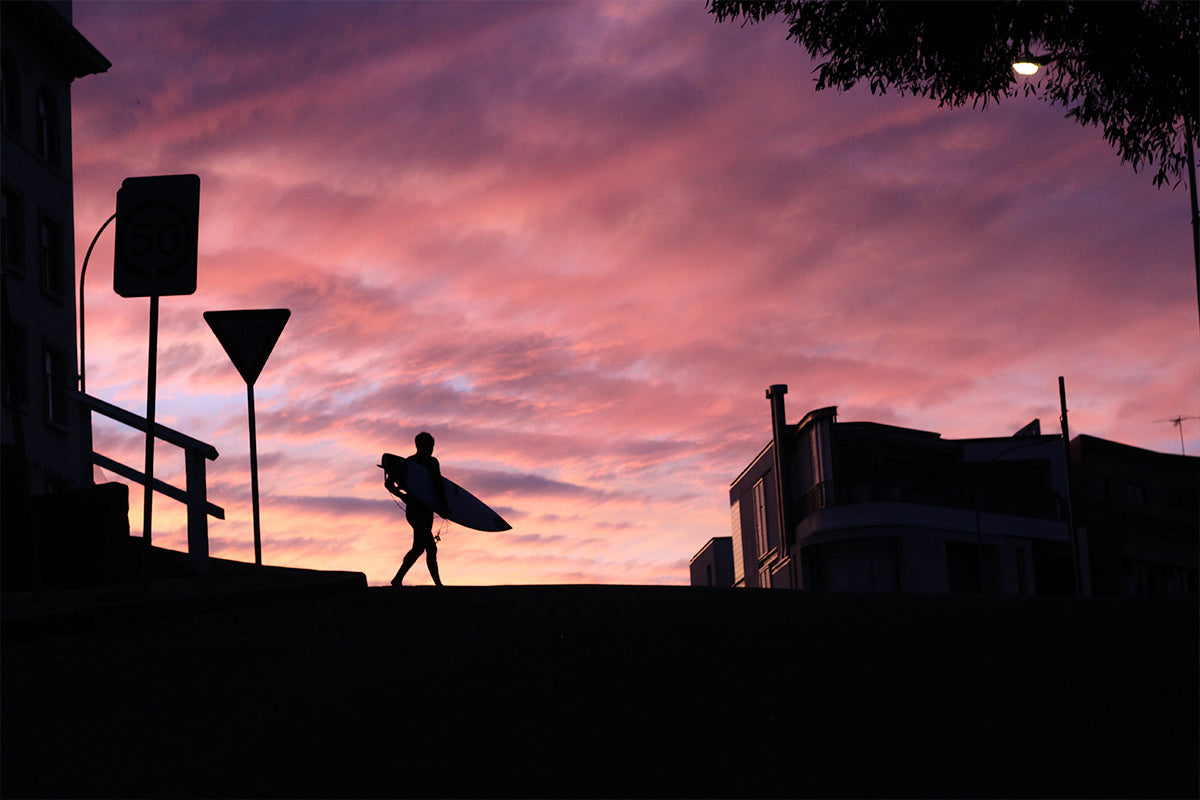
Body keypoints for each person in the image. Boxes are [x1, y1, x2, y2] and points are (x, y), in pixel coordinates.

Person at [387, 431, 449, 587]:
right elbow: (389, 483)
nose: (431, 449)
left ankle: (397, 579)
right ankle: (438, 585)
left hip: (425, 510)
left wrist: (442, 506)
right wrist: (403, 496)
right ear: (420, 446)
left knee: (418, 548)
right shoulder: (415, 463)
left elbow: (438, 486)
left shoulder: (420, 462)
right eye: (429, 446)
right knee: (430, 547)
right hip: (416, 510)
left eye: (432, 446)